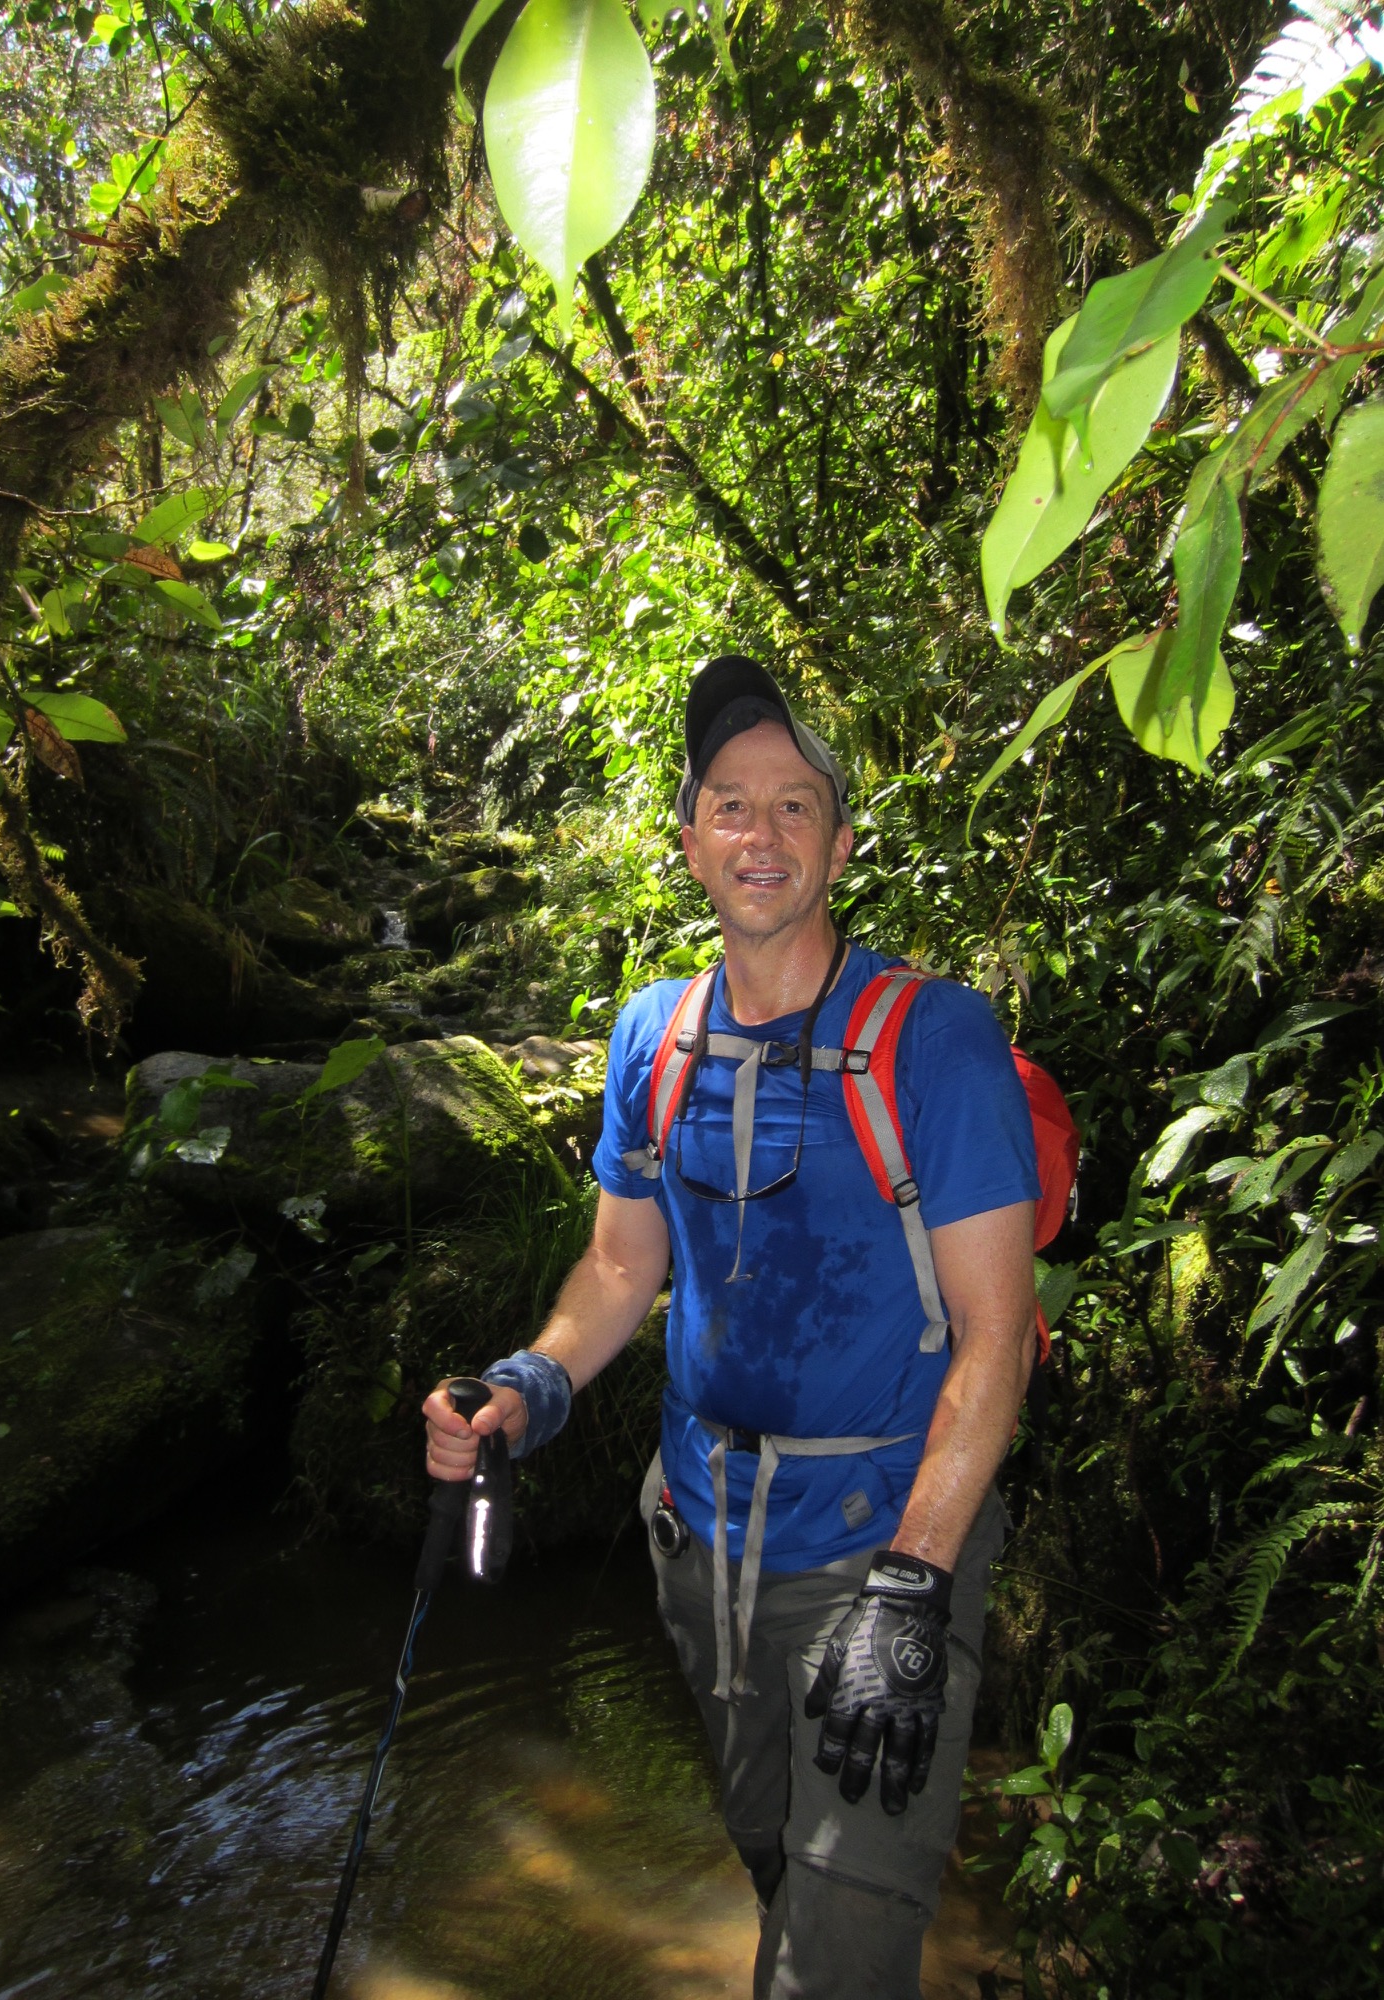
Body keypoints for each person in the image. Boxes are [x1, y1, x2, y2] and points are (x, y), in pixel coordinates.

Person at [423, 654, 1040, 2000]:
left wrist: (915, 1584)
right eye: (730, 806)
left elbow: (998, 1336)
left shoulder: (938, 1041)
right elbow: (619, 1264)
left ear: (840, 841)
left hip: (883, 1540)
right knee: (771, 1856)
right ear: (693, 840)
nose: (761, 833)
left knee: (836, 1954)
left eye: (794, 804)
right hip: (699, 1538)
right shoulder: (656, 1035)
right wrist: (532, 1382)